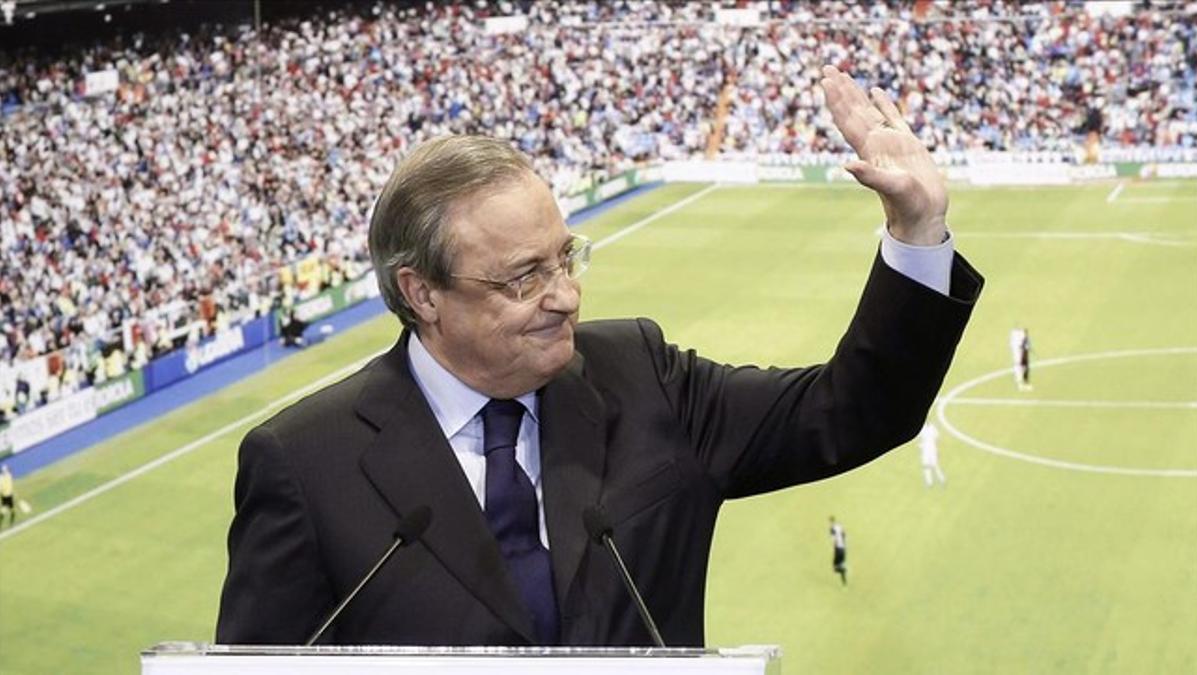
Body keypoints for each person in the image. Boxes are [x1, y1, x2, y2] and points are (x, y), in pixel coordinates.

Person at [216, 66, 983, 647]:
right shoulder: (305, 463)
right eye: (524, 276)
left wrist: (916, 232)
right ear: (421, 293)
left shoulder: (642, 376)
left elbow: (852, 410)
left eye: (565, 258)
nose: (565, 296)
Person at [919, 421, 946, 488]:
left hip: (930, 448)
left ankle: (941, 479)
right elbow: (937, 438)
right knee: (927, 466)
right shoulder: (930, 428)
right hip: (927, 448)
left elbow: (936, 438)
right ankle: (930, 482)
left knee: (933, 465)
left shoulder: (930, 429)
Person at [1010, 326, 1032, 391]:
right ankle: (1020, 383)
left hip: (1023, 354)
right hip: (1021, 354)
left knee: (1024, 367)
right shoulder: (1017, 342)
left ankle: (1023, 382)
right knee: (1020, 366)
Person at [829, 516, 848, 586]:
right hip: (843, 548)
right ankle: (844, 583)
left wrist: (835, 547)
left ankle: (843, 570)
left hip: (838, 549)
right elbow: (844, 534)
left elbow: (834, 540)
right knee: (841, 565)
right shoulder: (839, 526)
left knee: (835, 568)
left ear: (831, 522)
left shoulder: (832, 529)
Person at [0, 464, 16, 529]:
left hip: (4, 496)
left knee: (3, 511)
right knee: (12, 511)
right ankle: (11, 524)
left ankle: (2, 525)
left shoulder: (1, 477)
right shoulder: (9, 476)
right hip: (8, 496)